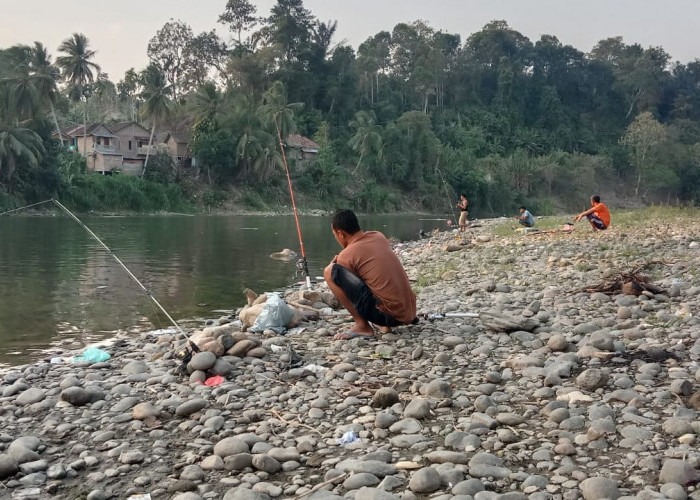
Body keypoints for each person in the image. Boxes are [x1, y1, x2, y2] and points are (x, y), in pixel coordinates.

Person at [323, 209, 417, 340]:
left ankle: (362, 326)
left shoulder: (346, 255)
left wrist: (336, 266)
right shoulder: (378, 236)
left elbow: (347, 283)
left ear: (341, 233)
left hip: (390, 317)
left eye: (335, 235)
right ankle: (380, 323)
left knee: (329, 271)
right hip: (410, 312)